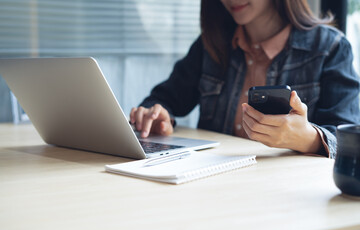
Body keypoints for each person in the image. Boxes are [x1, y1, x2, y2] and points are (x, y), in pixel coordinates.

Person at [130, 0, 360, 159]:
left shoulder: (330, 48)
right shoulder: (211, 43)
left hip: (287, 194)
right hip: (212, 183)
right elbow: (164, 98)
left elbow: (347, 143)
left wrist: (308, 139)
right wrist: (157, 114)